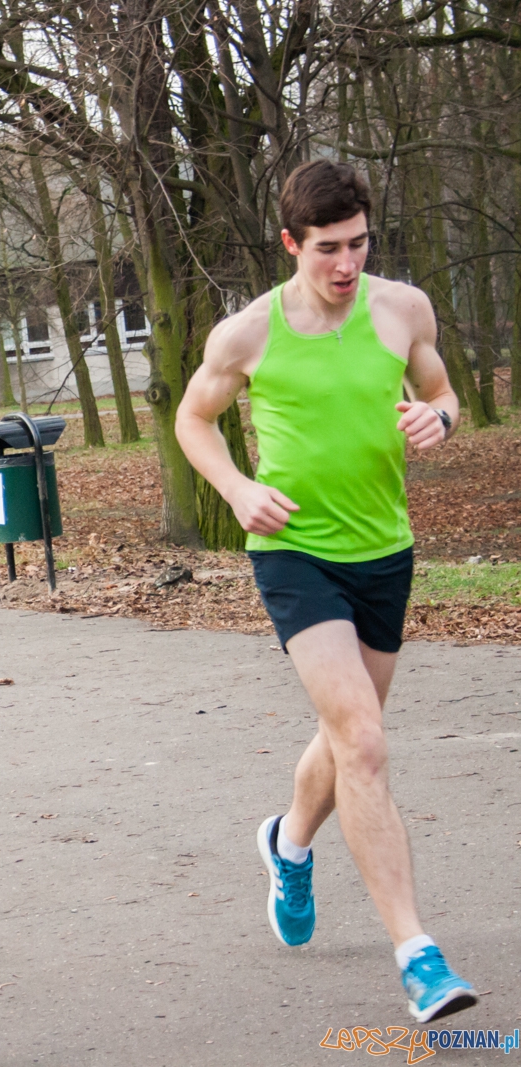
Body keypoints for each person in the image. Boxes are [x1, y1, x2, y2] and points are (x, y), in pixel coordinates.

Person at [176, 161, 476, 1024]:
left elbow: (442, 388)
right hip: (294, 552)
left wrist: (442, 418)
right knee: (365, 740)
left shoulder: (402, 308)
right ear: (290, 245)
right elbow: (193, 420)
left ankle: (288, 841)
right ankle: (419, 956)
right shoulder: (246, 334)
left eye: (358, 244)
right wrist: (236, 490)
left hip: (385, 551)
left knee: (349, 739)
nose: (347, 265)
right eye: (328, 250)